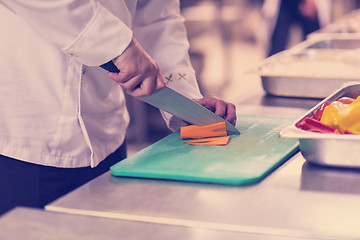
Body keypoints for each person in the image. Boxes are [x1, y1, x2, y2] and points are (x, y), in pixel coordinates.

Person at [0, 0, 237, 215]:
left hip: (107, 138)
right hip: (20, 140)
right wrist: (118, 45)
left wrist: (184, 100)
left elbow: (155, 14)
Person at [258, 0, 331, 57]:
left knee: (314, 44)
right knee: (278, 44)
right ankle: (271, 73)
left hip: (309, 3)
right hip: (284, 3)